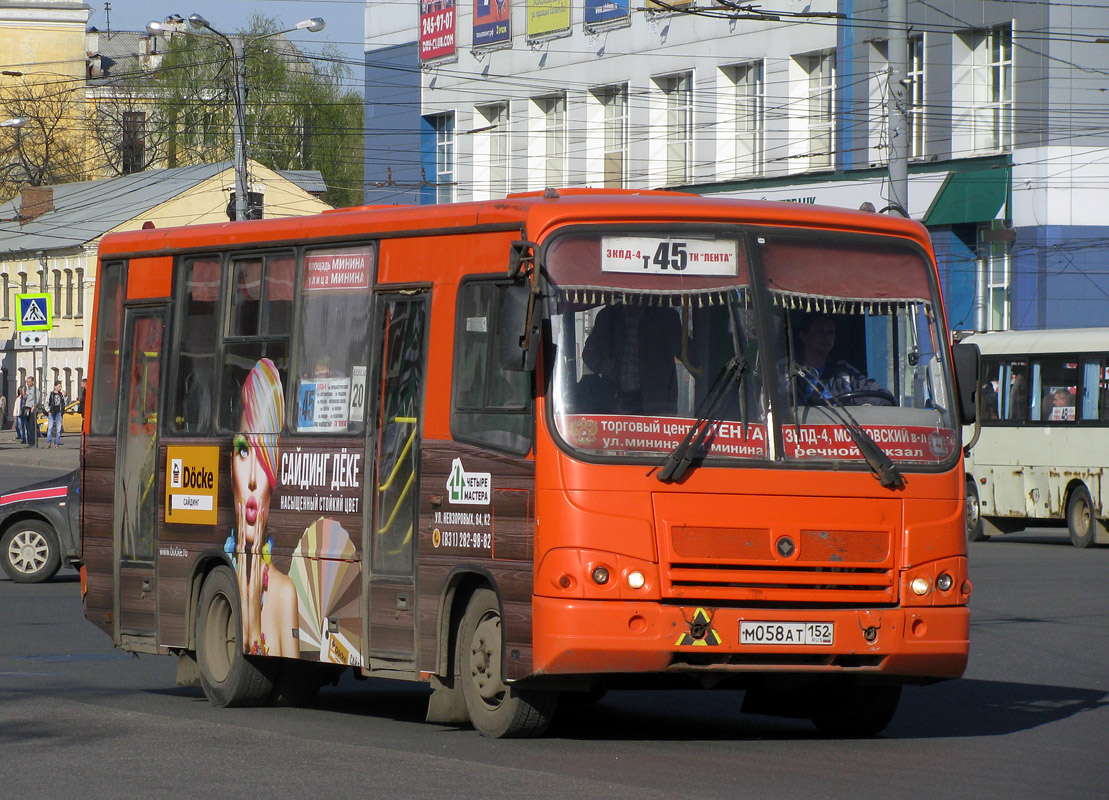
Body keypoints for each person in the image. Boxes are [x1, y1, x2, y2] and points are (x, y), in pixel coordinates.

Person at [227, 358, 299, 658]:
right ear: (230, 464)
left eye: (264, 454)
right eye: (244, 451)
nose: (254, 479)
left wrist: (253, 624)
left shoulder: (283, 594)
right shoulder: (224, 568)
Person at [581, 302, 683, 415]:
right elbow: (589, 353)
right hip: (615, 404)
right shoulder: (608, 316)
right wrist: (602, 364)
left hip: (655, 405)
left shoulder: (665, 317)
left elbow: (686, 352)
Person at [786, 313, 894, 407]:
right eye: (819, 332)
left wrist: (867, 408)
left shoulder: (844, 372)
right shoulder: (784, 370)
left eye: (830, 332)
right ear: (803, 336)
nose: (826, 337)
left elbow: (883, 396)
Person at [45, 381, 66, 448]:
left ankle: (57, 443)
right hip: (52, 413)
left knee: (58, 429)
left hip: (58, 413)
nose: (60, 388)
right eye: (59, 386)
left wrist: (64, 396)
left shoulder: (61, 394)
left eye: (60, 386)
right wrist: (48, 411)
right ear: (55, 387)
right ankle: (49, 442)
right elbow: (46, 402)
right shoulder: (50, 394)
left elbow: (65, 403)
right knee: (50, 428)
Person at [22, 376, 39, 447]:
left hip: (32, 409)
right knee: (27, 426)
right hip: (26, 408)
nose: (27, 383)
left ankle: (34, 442)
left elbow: (37, 399)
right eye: (27, 382)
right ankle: (29, 442)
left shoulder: (35, 390)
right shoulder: (27, 390)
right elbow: (26, 399)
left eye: (29, 382)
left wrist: (34, 406)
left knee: (32, 426)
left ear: (33, 382)